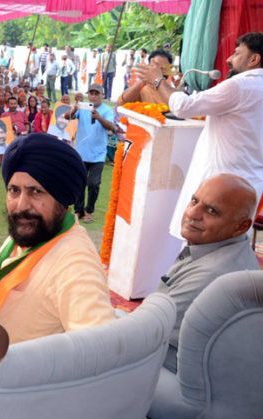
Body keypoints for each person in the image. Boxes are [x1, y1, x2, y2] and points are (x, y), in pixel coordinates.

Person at [0, 134, 115, 343]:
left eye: (36, 192)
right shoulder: (31, 233)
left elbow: (102, 351)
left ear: (63, 200)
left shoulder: (75, 263)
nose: (21, 205)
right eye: (14, 190)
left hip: (16, 373)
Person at [135, 32, 263, 238]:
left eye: (237, 53)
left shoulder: (240, 85)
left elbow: (184, 107)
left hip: (220, 187)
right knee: (229, 250)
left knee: (199, 245)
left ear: (254, 59)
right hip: (250, 185)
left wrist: (158, 80)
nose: (229, 59)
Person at [157, 174, 260, 371]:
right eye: (194, 201)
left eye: (212, 210)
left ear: (241, 226)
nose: (192, 213)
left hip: (183, 380)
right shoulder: (226, 247)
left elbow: (144, 333)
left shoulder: (211, 274)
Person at [64, 84, 115, 223]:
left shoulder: (107, 110)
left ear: (102, 95)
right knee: (79, 182)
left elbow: (111, 127)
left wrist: (98, 117)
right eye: (91, 93)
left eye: (96, 93)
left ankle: (89, 210)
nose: (94, 96)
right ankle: (78, 210)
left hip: (98, 155)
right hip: (81, 153)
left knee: (93, 183)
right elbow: (67, 116)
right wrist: (74, 109)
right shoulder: (84, 107)